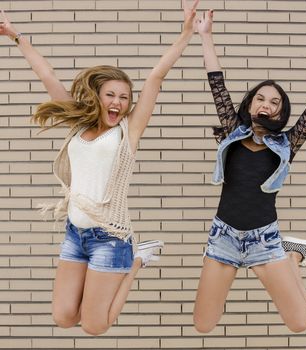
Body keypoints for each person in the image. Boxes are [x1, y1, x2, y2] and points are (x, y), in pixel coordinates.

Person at [0, 0, 200, 335]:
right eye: (111, 95)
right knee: (64, 317)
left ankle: (138, 260)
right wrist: (14, 35)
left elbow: (156, 77)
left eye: (124, 97)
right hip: (75, 233)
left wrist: (185, 34)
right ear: (97, 96)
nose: (119, 103)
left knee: (95, 326)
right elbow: (45, 73)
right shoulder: (78, 125)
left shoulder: (127, 132)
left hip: (111, 238)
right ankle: (133, 260)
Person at [194, 9, 306, 333]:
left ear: (280, 112)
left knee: (299, 323)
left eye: (275, 102)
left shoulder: (288, 143)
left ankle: (292, 259)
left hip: (265, 238)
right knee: (204, 324)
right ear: (249, 105)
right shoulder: (233, 129)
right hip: (224, 237)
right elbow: (215, 82)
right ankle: (287, 262)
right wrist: (205, 35)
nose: (267, 104)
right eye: (260, 98)